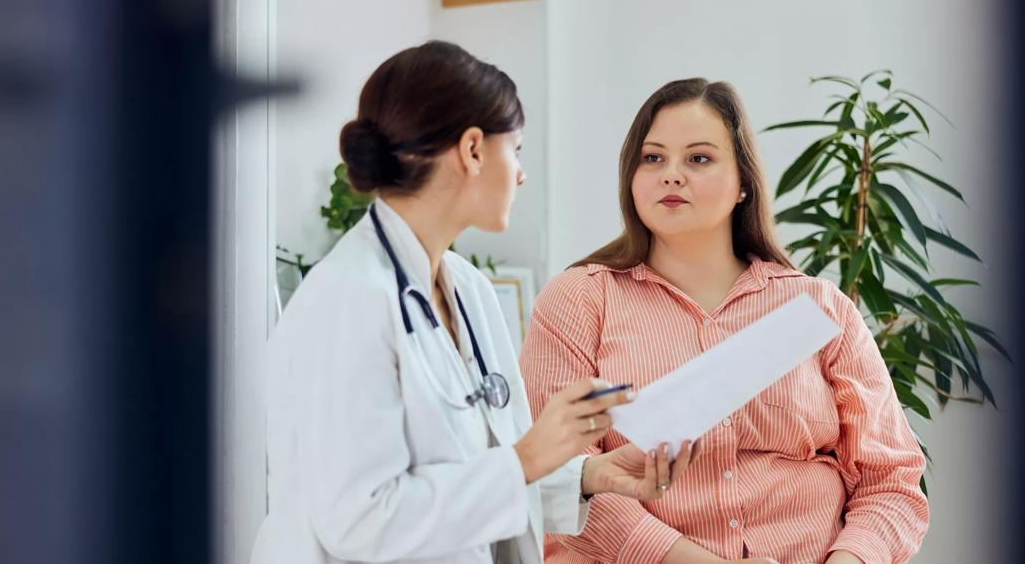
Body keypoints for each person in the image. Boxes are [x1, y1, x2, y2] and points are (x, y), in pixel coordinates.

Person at [250, 41, 699, 564]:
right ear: (473, 150)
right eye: (518, 150)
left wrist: (587, 475)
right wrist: (528, 458)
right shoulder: (346, 301)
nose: (522, 174)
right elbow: (361, 523)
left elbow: (481, 466)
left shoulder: (468, 290)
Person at [520, 78, 929, 564]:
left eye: (698, 158)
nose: (671, 175)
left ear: (743, 185)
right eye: (653, 158)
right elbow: (557, 475)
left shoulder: (817, 307)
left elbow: (892, 479)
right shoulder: (580, 299)